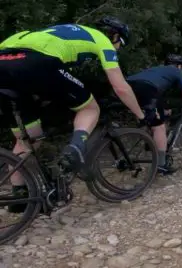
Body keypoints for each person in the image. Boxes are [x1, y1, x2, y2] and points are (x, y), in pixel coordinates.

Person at [0, 17, 151, 212]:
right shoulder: (101, 39)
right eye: (120, 43)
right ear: (114, 36)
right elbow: (120, 87)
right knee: (89, 108)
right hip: (37, 62)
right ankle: (75, 151)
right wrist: (140, 115)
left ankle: (20, 198)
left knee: (27, 140)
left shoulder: (54, 32)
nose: (118, 48)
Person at [126, 54, 182, 175]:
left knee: (150, 118)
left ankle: (149, 143)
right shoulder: (177, 71)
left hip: (127, 85)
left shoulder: (157, 70)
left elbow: (156, 97)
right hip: (146, 88)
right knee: (159, 126)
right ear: (180, 66)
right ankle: (161, 165)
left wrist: (163, 110)